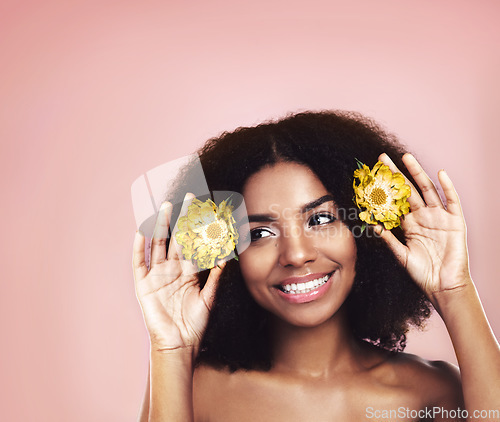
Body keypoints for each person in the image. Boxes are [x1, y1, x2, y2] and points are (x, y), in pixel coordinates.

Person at [133, 111, 500, 421]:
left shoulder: (431, 394)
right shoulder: (196, 391)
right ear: (228, 255)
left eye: (321, 220)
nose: (295, 254)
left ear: (365, 232)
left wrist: (455, 290)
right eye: (260, 232)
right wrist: (172, 350)